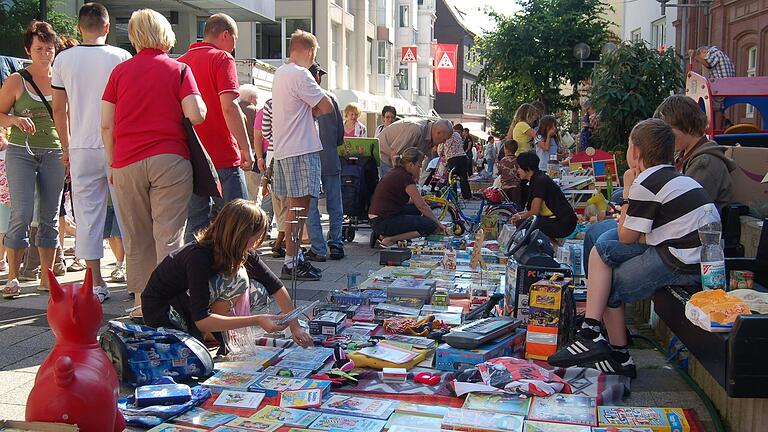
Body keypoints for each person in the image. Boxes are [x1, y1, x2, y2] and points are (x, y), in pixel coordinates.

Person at [549, 119, 718, 378]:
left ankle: (604, 342)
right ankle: (598, 337)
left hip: (680, 261)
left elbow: (626, 236)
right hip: (689, 255)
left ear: (636, 151)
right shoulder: (674, 177)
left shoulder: (646, 182)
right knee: (602, 249)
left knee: (608, 283)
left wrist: (628, 188)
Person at [101, 8, 207, 317]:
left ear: (134, 36)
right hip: (170, 160)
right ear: (165, 34)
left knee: (137, 238)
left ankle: (139, 306)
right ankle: (169, 306)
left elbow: (106, 124)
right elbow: (196, 114)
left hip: (126, 162)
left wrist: (111, 163)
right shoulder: (179, 70)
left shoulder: (119, 73)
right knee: (168, 236)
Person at [582, 95, 736, 277]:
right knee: (602, 223)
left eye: (668, 131)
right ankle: (597, 291)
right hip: (663, 231)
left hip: (677, 245)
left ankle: (600, 292)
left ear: (685, 126)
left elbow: (681, 213)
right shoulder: (686, 156)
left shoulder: (706, 163)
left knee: (599, 237)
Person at [142, 199, 313, 347]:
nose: (256, 245)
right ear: (239, 236)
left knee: (258, 290)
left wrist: (294, 325)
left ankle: (213, 333)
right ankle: (209, 334)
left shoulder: (240, 250)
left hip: (185, 303)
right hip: (163, 312)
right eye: (255, 239)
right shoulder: (198, 257)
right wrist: (256, 319)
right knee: (237, 279)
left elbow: (274, 285)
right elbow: (201, 320)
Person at [50, 2, 131, 302]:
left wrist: (65, 144)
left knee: (87, 215)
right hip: (117, 143)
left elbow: (60, 108)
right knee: (127, 212)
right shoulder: (121, 56)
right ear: (107, 27)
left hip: (81, 144)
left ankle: (96, 282)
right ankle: (133, 280)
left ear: (79, 28)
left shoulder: (64, 60)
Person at [0, 21, 65, 298]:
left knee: (50, 216)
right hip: (20, 152)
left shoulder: (61, 78)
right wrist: (14, 119)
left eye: (49, 48)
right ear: (29, 49)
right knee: (22, 214)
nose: (45, 54)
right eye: (39, 48)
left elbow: (68, 117)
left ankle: (46, 276)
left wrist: (70, 150)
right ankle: (13, 277)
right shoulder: (16, 79)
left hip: (54, 151)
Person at [180, 14, 256, 243]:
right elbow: (230, 107)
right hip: (222, 155)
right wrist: (246, 148)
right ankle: (238, 275)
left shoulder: (181, 62)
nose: (234, 49)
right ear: (225, 35)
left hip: (191, 156)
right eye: (235, 40)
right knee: (241, 223)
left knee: (196, 224)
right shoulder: (222, 59)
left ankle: (195, 276)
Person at [271, 30, 333, 281]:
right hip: (301, 147)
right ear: (309, 51)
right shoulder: (300, 73)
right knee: (300, 208)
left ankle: (292, 259)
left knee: (292, 209)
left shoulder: (280, 73)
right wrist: (314, 112)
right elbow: (326, 105)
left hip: (285, 148)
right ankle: (291, 262)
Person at [305, 62, 345, 262]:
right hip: (329, 158)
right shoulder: (330, 98)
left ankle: (318, 248)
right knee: (335, 204)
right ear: (317, 76)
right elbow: (340, 134)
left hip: (308, 159)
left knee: (311, 207)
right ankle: (336, 244)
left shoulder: (300, 97)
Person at [369, 148, 448, 246]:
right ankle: (389, 239)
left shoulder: (396, 172)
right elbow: (422, 206)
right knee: (430, 225)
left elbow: (403, 200)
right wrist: (438, 224)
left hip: (377, 219)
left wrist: (422, 200)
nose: (420, 169)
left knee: (416, 210)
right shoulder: (405, 178)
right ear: (411, 165)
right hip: (384, 221)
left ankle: (383, 234)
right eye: (419, 166)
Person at [510, 152, 576, 240]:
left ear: (527, 167)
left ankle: (547, 247)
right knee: (524, 221)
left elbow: (534, 212)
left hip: (563, 223)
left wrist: (519, 217)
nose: (517, 171)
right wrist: (518, 215)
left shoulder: (539, 181)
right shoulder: (537, 178)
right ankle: (552, 246)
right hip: (558, 219)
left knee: (523, 223)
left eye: (519, 167)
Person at [377, 117, 453, 176]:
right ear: (438, 133)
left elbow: (418, 162)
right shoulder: (415, 129)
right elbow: (395, 156)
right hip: (384, 158)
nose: (444, 142)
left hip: (392, 159)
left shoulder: (429, 135)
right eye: (444, 139)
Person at [440, 124, 472, 199]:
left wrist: (441, 153)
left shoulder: (447, 135)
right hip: (462, 157)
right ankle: (467, 195)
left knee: (451, 178)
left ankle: (453, 196)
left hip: (452, 158)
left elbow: (442, 147)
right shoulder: (457, 135)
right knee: (463, 177)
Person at [497, 140, 522, 205]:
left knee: (505, 206)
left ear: (506, 150)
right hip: (516, 188)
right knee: (516, 206)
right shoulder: (518, 160)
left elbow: (499, 172)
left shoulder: (503, 160)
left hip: (505, 188)